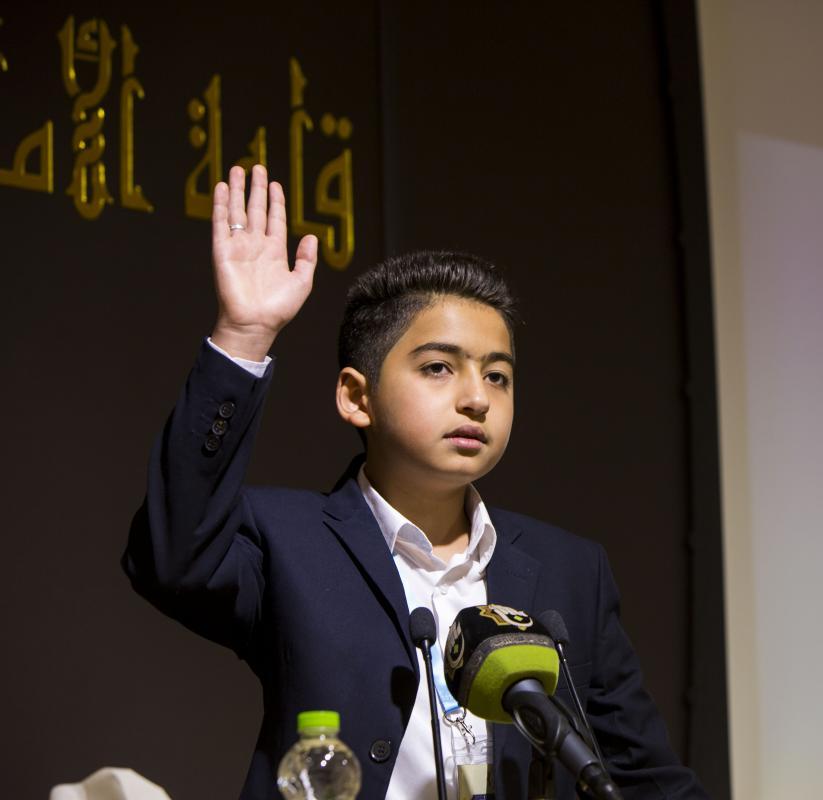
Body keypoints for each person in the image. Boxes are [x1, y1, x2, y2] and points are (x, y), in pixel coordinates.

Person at [123, 165, 706, 800]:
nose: (477, 398)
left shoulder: (572, 570)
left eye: (498, 376)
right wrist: (244, 337)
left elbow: (648, 778)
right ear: (357, 397)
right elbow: (171, 557)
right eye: (438, 368)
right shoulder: (287, 541)